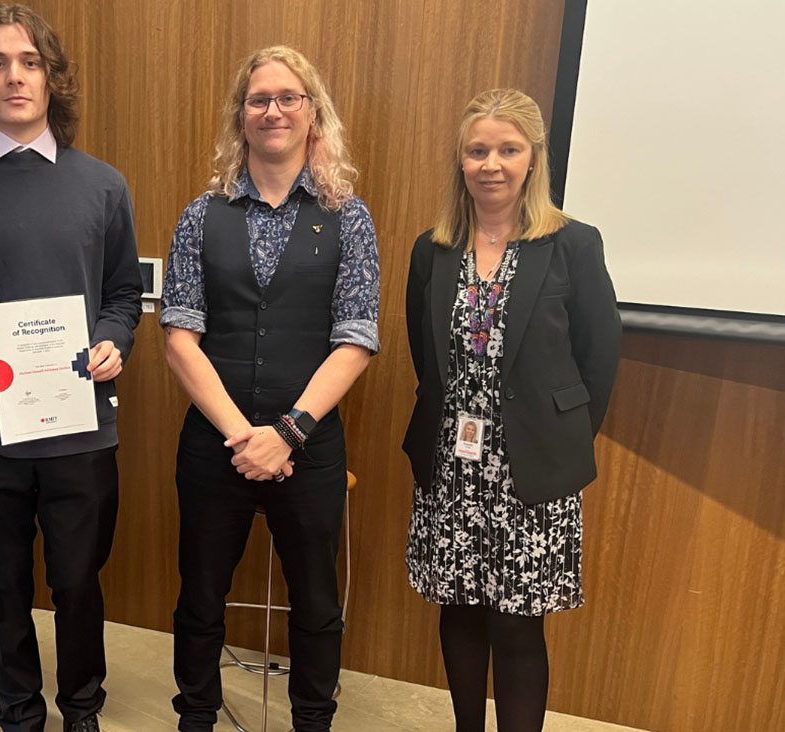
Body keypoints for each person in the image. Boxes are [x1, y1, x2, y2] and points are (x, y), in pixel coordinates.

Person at [0, 5, 142, 732]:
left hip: (79, 429)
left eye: (30, 61)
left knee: (78, 582)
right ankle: (19, 713)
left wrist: (114, 339)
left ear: (52, 78)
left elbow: (125, 293)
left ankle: (81, 711)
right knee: (1, 583)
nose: (14, 75)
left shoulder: (104, 186)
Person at [161, 46, 379, 732]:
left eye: (289, 97)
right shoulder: (202, 215)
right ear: (241, 117)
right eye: (259, 99)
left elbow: (356, 341)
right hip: (214, 446)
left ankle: (312, 720)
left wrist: (285, 434)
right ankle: (195, 716)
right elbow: (178, 338)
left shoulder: (349, 218)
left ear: (313, 114)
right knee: (200, 598)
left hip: (307, 449)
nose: (273, 110)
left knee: (316, 602)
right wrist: (242, 437)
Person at [402, 88, 621, 731]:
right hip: (452, 469)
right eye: (477, 150)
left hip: (532, 473)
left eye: (507, 149)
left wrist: (558, 440)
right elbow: (427, 356)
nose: (490, 163)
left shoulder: (572, 244)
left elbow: (598, 358)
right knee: (460, 612)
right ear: (460, 161)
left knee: (519, 628)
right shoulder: (433, 249)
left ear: (532, 159)